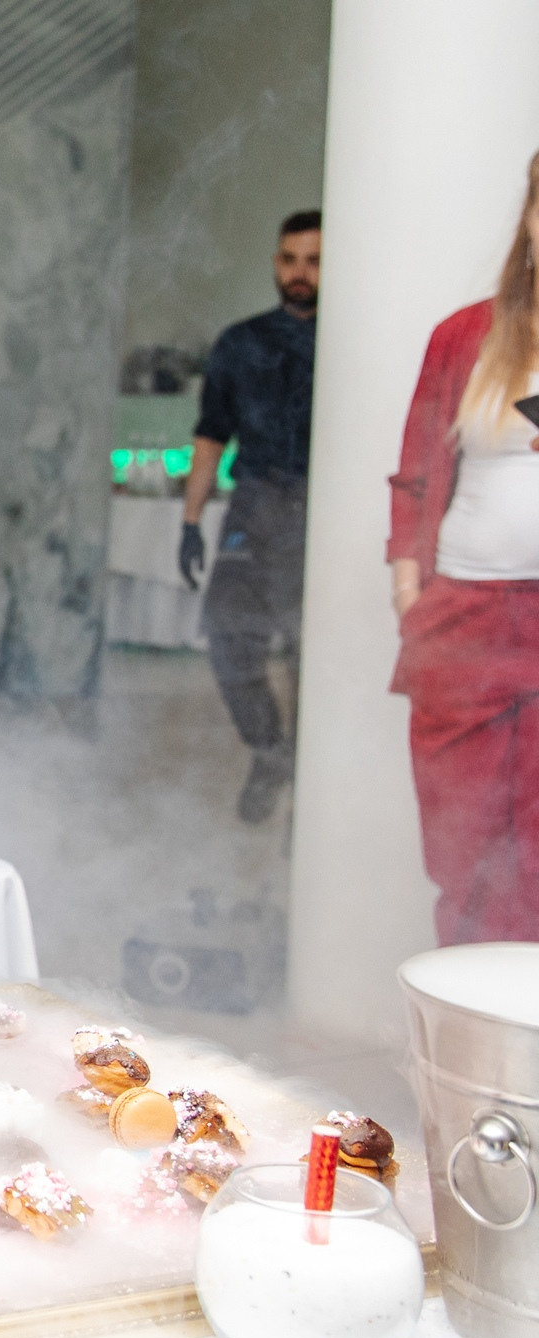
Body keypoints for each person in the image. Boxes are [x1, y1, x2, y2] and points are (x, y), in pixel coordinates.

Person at [387, 151, 539, 945]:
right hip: (465, 624)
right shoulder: (465, 335)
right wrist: (412, 598)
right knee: (465, 846)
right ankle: (469, 1036)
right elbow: (415, 475)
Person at [179, 209, 320, 825]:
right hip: (255, 505)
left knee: (310, 654)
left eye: (314, 261)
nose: (299, 273)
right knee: (230, 641)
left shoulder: (355, 340)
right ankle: (271, 753)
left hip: (324, 511)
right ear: (274, 262)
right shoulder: (240, 343)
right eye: (289, 259)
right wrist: (189, 522)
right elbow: (211, 434)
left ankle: (318, 787)